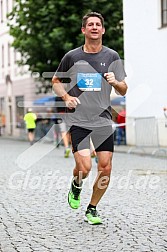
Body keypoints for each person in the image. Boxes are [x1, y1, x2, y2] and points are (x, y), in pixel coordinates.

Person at [52, 12, 128, 224]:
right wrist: (66, 96)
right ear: (84, 30)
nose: (94, 27)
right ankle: (76, 185)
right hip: (78, 119)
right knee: (84, 167)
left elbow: (124, 90)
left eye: (98, 25)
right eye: (90, 25)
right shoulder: (72, 57)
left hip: (102, 118)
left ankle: (92, 208)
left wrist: (116, 82)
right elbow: (56, 80)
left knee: (106, 166)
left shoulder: (112, 56)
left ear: (103, 30)